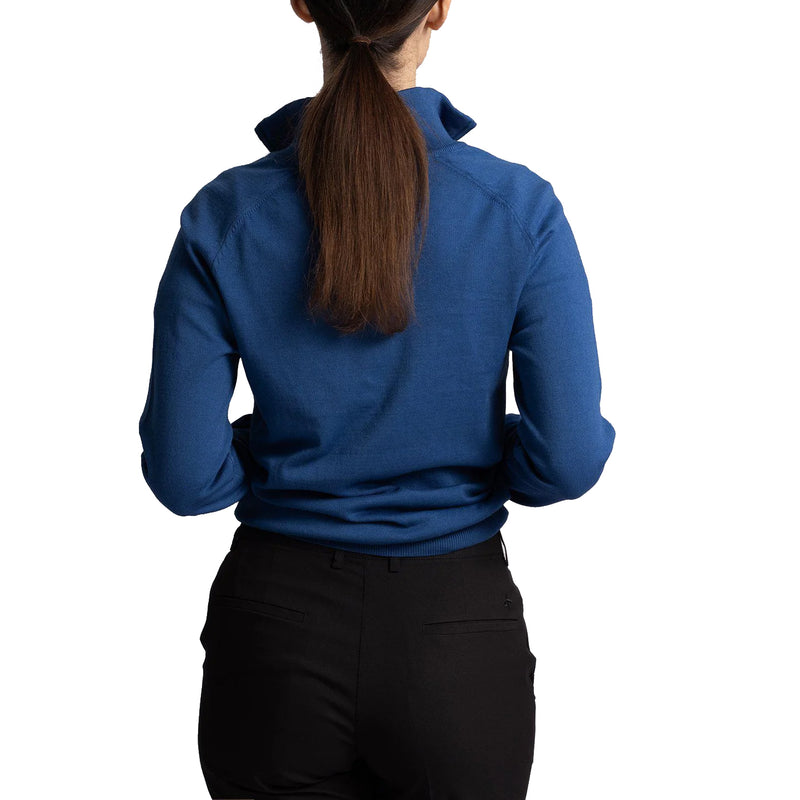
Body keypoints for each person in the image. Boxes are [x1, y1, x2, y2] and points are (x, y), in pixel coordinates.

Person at [138, 0, 616, 797]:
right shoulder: (519, 209)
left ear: (304, 5)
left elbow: (185, 477)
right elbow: (566, 458)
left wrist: (274, 453)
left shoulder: (225, 215)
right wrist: (474, 453)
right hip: (455, 634)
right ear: (439, 9)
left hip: (276, 637)